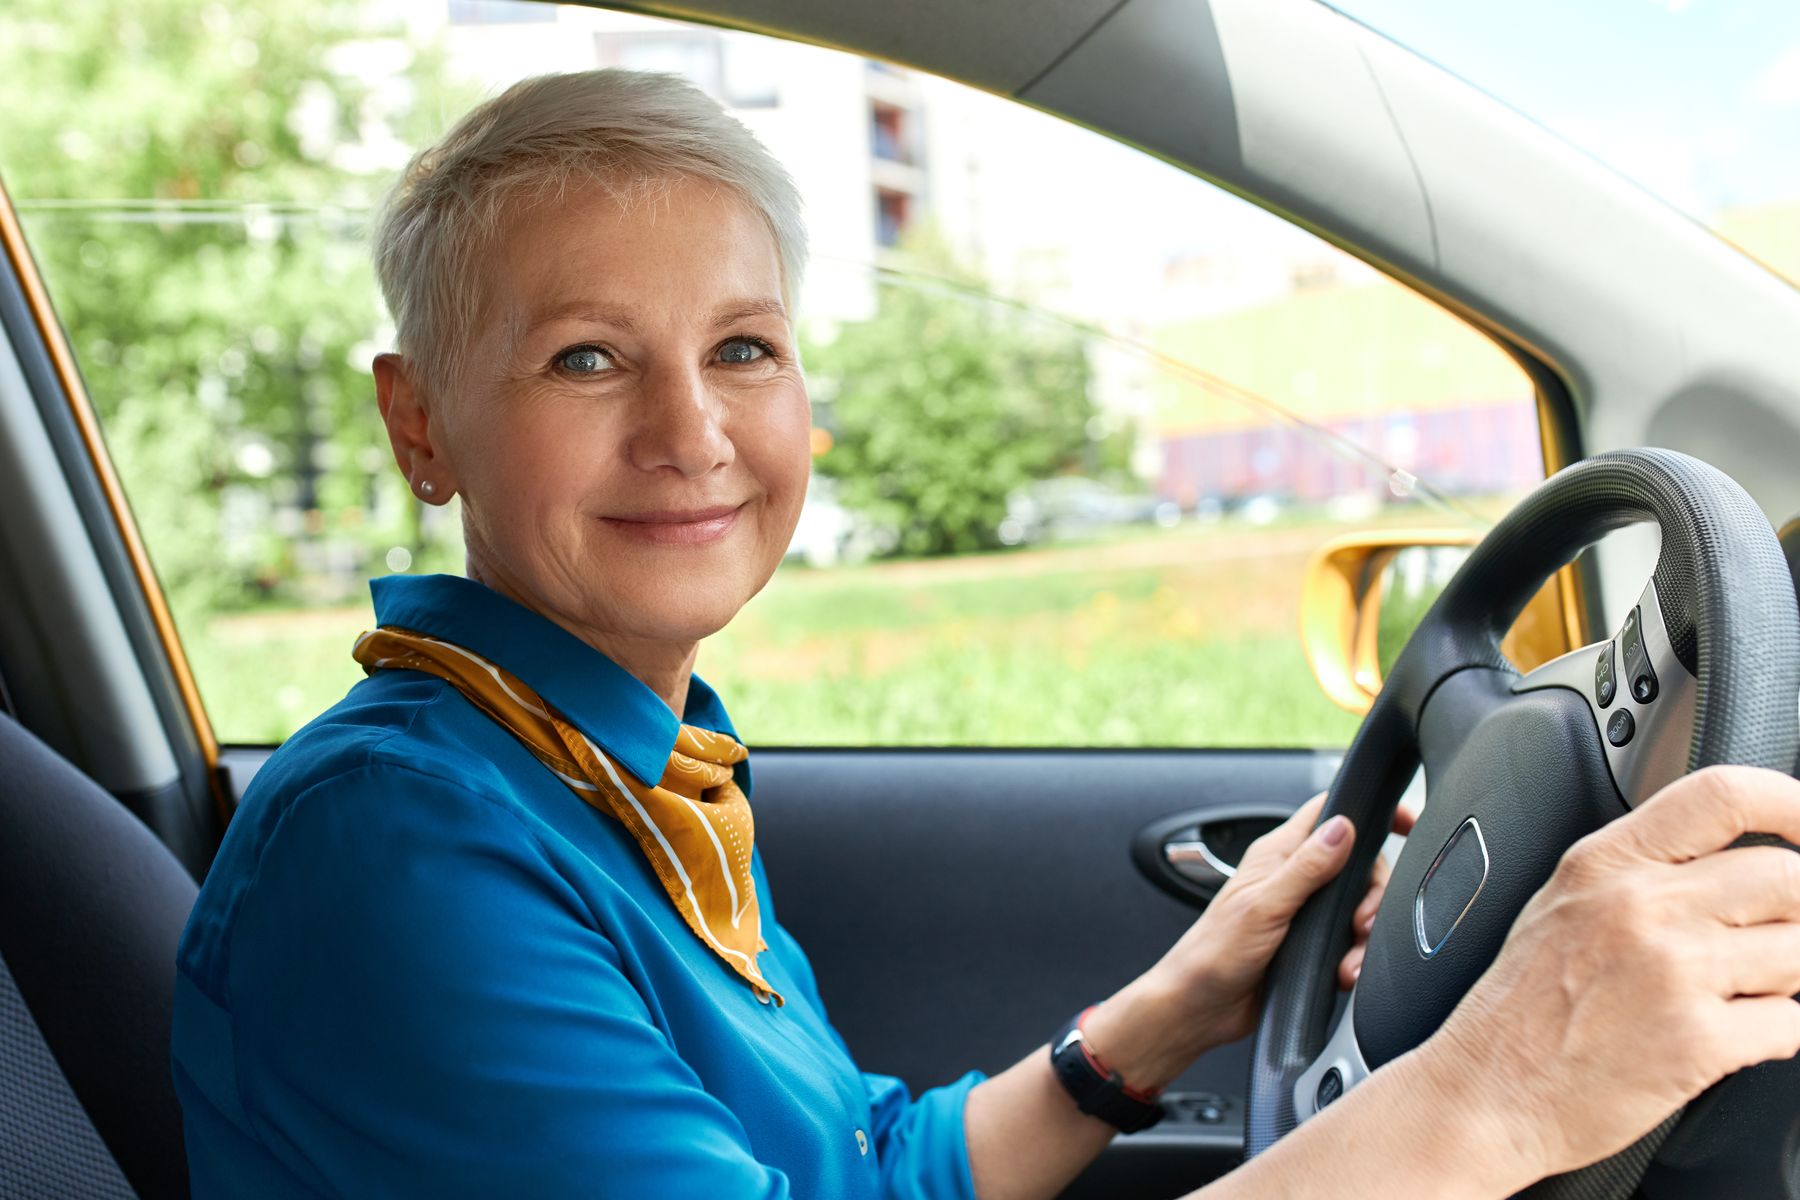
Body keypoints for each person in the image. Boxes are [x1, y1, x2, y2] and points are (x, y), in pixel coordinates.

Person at [170, 69, 1800, 1200]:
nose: (692, 429)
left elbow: (862, 1173)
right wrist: (1500, 1085)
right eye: (589, 360)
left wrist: (1173, 1008)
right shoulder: (401, 848)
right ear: (420, 425)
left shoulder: (610, 763)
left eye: (742, 347)